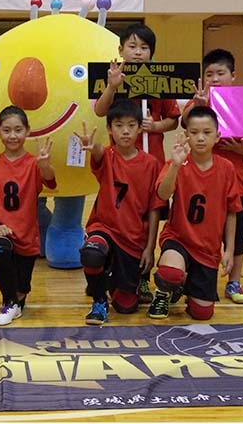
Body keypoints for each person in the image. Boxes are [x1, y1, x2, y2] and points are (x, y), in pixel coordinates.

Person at [93, 22, 181, 304]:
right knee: (120, 216)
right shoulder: (113, 76)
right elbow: (100, 110)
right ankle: (108, 268)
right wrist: (112, 86)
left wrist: (156, 126)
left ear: (151, 53)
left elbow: (174, 118)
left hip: (150, 163)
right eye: (132, 46)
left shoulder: (160, 79)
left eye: (144, 48)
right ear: (121, 50)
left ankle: (141, 277)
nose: (138, 52)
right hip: (119, 164)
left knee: (148, 218)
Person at [181, 49, 243, 304]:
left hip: (236, 182)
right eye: (209, 74)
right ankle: (191, 278)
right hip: (200, 182)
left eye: (221, 73)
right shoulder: (199, 101)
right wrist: (199, 104)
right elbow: (184, 122)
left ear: (233, 76)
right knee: (198, 232)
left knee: (238, 236)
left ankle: (234, 281)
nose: (215, 79)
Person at [74, 99, 165, 325]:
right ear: (109, 129)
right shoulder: (107, 156)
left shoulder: (152, 164)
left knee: (126, 307)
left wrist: (150, 248)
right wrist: (91, 145)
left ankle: (109, 278)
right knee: (92, 253)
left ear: (140, 128)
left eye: (131, 125)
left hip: (133, 238)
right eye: (119, 125)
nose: (125, 131)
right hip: (104, 228)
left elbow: (155, 209)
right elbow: (97, 153)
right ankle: (99, 302)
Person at [147, 106, 241, 320]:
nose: (200, 138)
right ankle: (164, 291)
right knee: (170, 273)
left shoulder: (227, 168)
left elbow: (232, 212)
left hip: (208, 249)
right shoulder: (178, 162)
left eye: (207, 132)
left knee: (202, 314)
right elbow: (162, 194)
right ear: (186, 135)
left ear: (217, 136)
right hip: (178, 239)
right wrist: (175, 166)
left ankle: (185, 286)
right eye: (194, 132)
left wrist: (229, 250)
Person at [0, 105, 56, 326]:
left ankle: (15, 300)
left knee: (21, 292)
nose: (13, 136)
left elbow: (50, 181)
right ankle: (8, 303)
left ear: (27, 131)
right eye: (6, 130)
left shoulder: (34, 163)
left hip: (26, 237)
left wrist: (45, 166)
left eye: (18, 130)